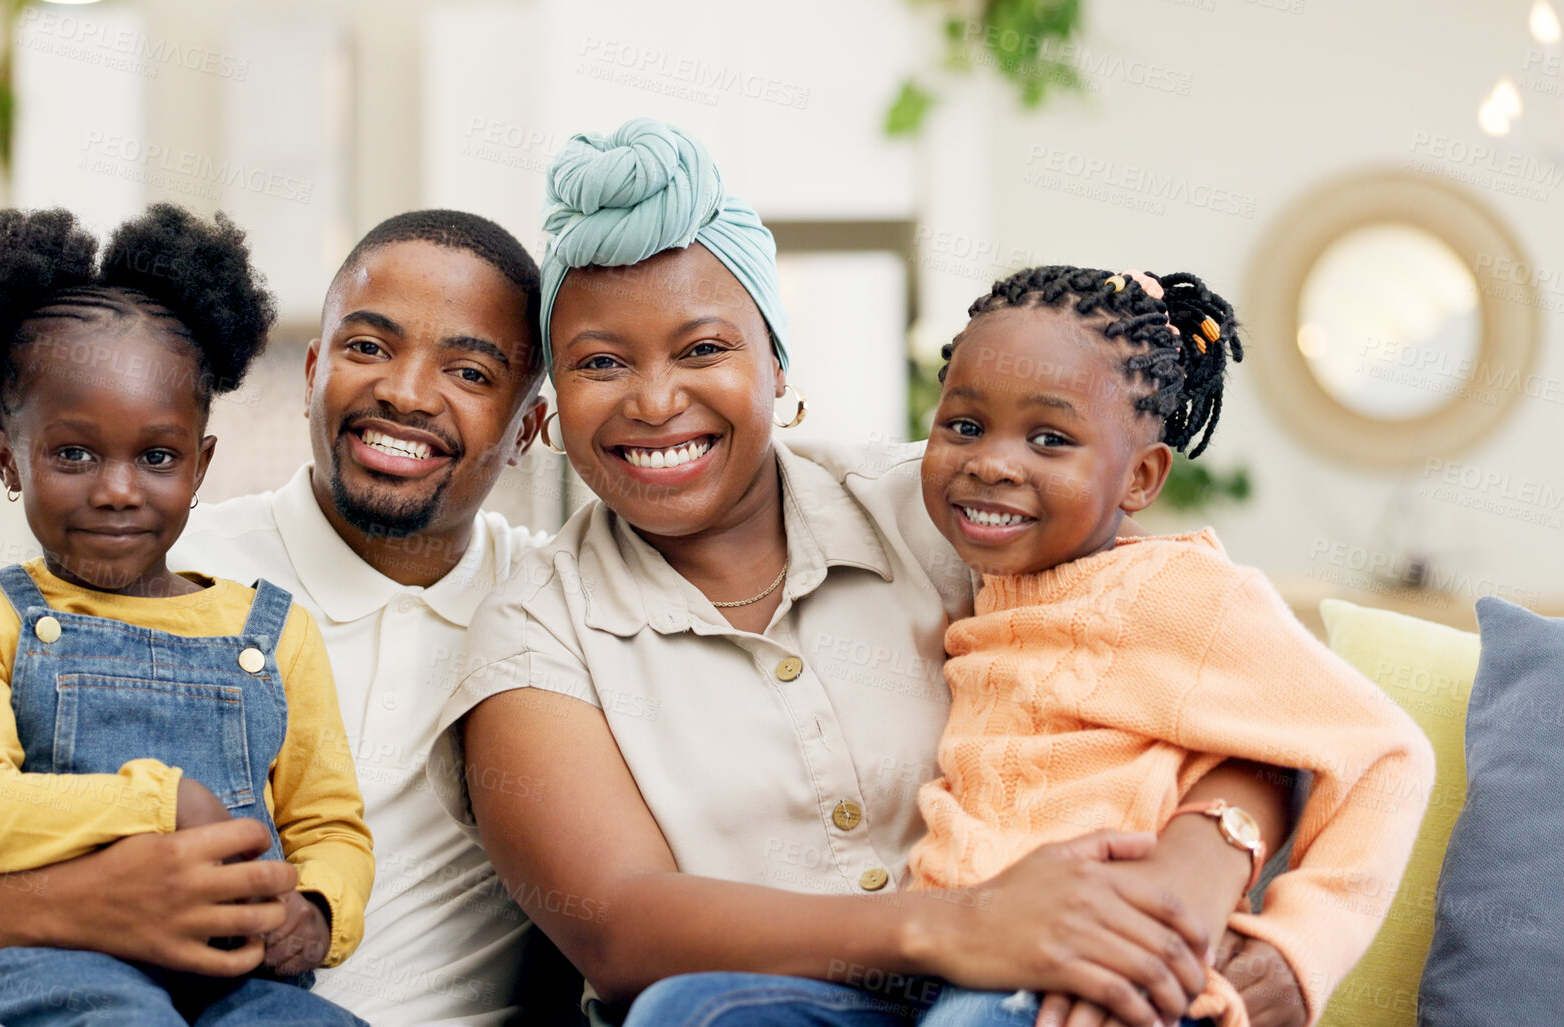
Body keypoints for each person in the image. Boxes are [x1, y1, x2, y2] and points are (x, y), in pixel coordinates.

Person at [435, 117, 1309, 1027]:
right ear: (553, 404)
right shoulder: (537, 624)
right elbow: (616, 925)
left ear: (775, 365)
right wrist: (951, 926)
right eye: (600, 363)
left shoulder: (953, 503)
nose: (655, 402)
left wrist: (1194, 894)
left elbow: (1245, 708)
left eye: (703, 350)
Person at [0, 208, 555, 1026]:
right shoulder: (136, 564)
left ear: (528, 425)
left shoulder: (554, 605)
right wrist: (88, 902)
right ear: (312, 369)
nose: (404, 390)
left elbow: (330, 831)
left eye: (470, 372)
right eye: (367, 347)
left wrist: (317, 911)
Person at [898, 265, 1433, 1027]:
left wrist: (1296, 948)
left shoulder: (1179, 592)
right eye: (964, 426)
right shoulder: (995, 580)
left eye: (1049, 438)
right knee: (708, 1001)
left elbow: (1386, 753)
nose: (991, 461)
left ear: (1140, 477)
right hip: (949, 949)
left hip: (1097, 976)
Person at [0, 203, 373, 1025]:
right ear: (9, 456)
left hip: (237, 977)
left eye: (156, 456)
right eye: (73, 453)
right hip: (37, 967)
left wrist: (319, 909)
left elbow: (329, 823)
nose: (117, 489)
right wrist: (160, 800)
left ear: (200, 462)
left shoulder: (272, 632)